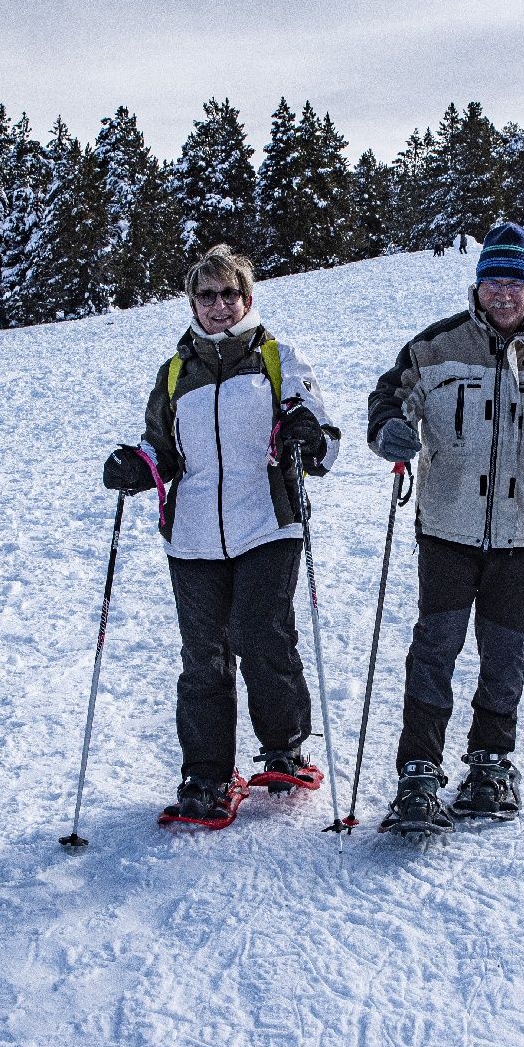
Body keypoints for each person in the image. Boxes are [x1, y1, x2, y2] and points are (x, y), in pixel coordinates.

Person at [366, 222, 524, 837]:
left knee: (506, 654)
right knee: (435, 651)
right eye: (493, 282)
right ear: (477, 285)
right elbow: (386, 401)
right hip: (448, 528)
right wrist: (390, 433)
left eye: (515, 282)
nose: (503, 295)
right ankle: (419, 773)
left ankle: (490, 763)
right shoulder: (434, 347)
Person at [102, 244, 341, 829]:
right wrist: (138, 465)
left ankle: (285, 746)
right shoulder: (176, 372)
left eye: (228, 294)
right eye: (206, 296)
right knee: (203, 658)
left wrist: (305, 436)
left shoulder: (276, 357)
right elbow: (163, 448)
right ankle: (207, 776)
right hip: (193, 538)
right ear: (192, 302)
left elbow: (326, 439)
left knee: (264, 636)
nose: (218, 306)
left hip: (267, 524)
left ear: (247, 298)